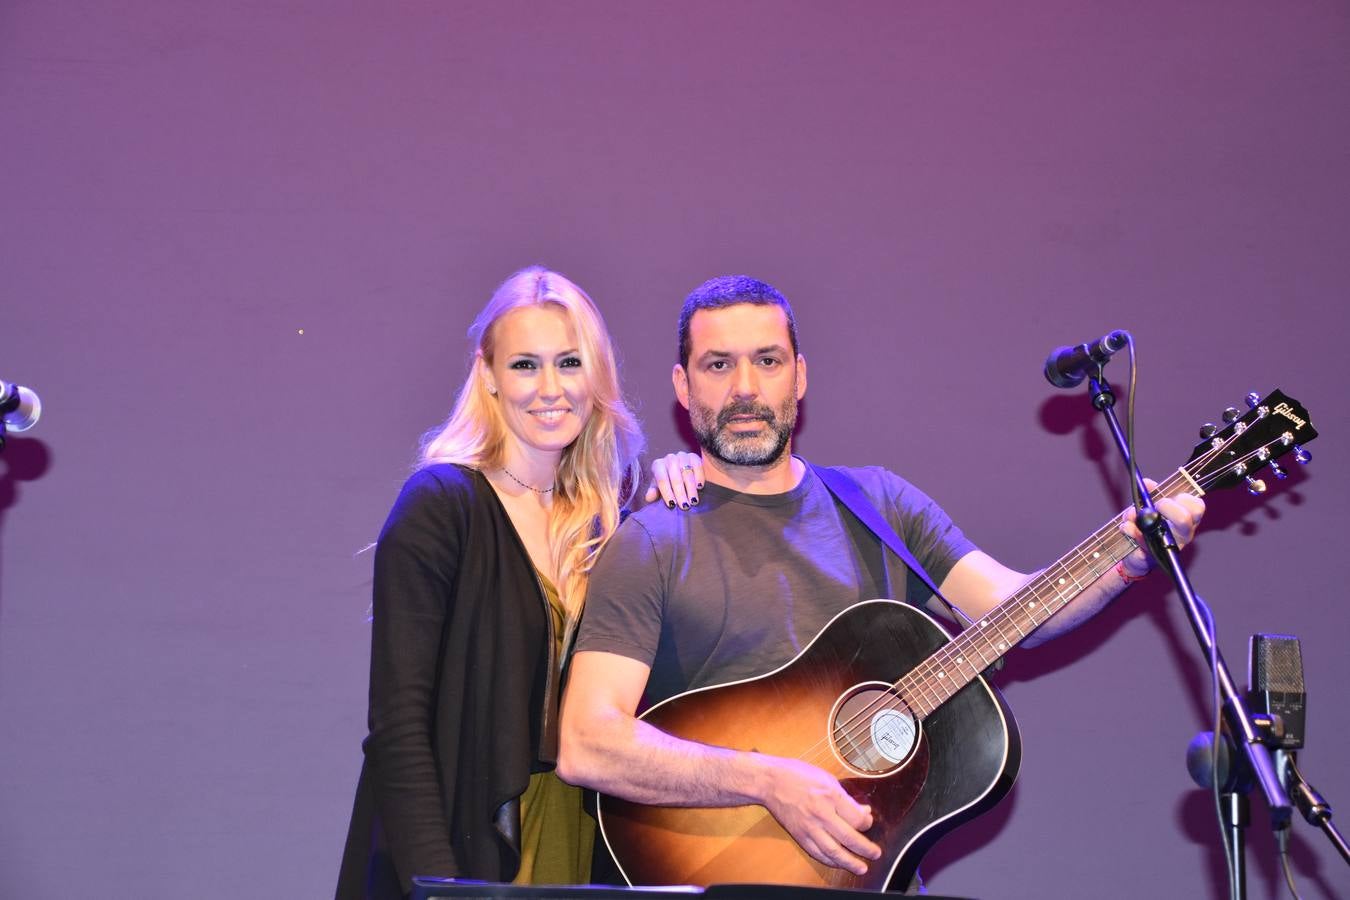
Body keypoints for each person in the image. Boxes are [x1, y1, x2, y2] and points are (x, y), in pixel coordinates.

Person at [557, 275, 1205, 882]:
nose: (746, 388)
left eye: (769, 360)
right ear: (683, 384)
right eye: (718, 365)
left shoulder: (881, 505)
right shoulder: (650, 541)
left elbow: (1012, 609)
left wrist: (1126, 558)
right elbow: (588, 743)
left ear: (801, 376)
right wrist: (766, 781)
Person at [336, 266, 656, 898]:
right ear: (487, 376)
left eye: (569, 362)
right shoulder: (441, 504)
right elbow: (399, 728)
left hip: (584, 841)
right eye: (524, 365)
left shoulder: (611, 520)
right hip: (465, 847)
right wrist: (441, 886)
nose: (550, 389)